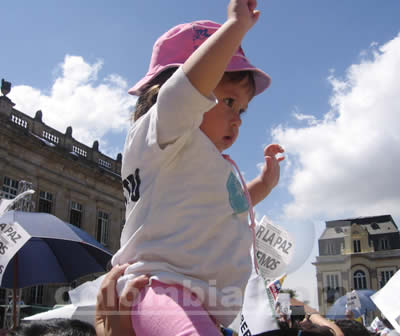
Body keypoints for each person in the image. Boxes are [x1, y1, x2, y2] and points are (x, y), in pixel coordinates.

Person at [112, 0, 285, 334]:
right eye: (229, 101)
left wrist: (263, 185)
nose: (237, 118)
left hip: (198, 300)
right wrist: (234, 29)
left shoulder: (198, 163)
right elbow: (185, 93)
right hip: (159, 287)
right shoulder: (160, 133)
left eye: (244, 110)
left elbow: (228, 206)